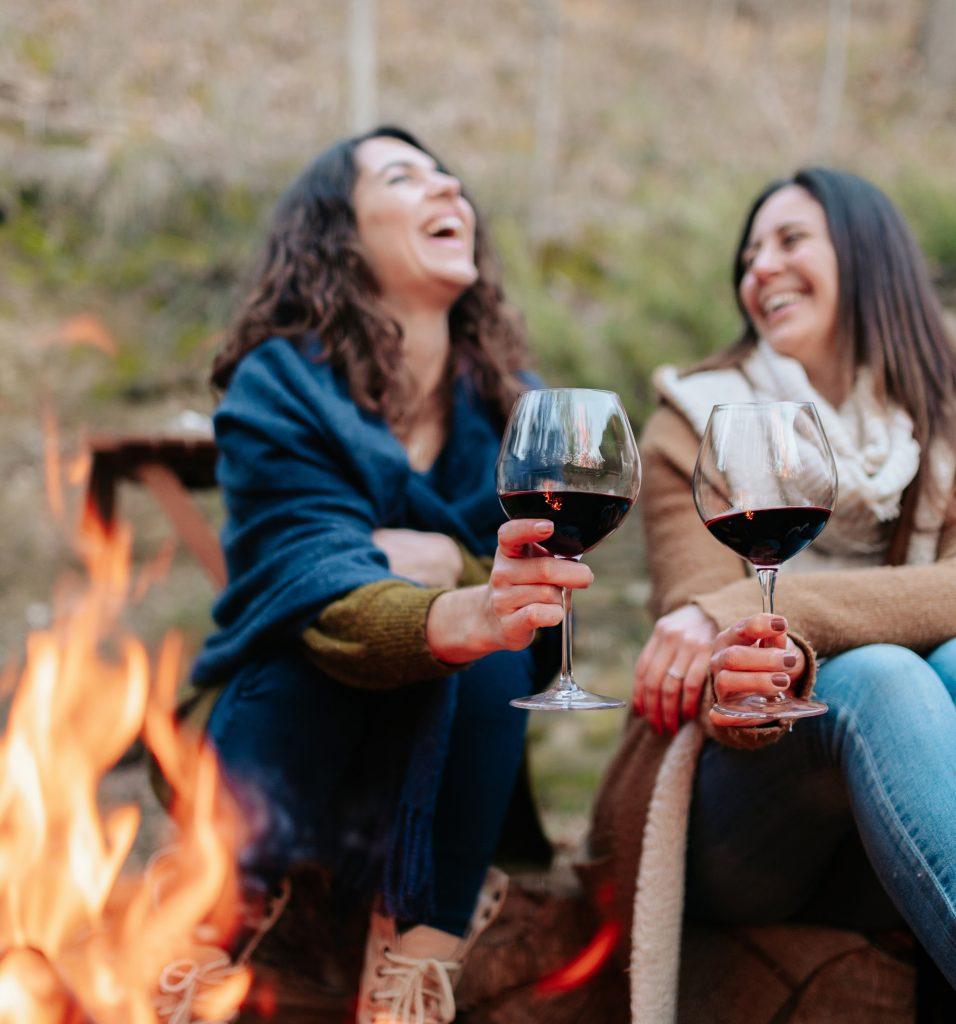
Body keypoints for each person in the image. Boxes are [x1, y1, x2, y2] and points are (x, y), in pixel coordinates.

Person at [183, 126, 589, 1024]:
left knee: (494, 649)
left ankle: (415, 976)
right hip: (291, 742)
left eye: (453, 177)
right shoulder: (278, 388)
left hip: (455, 756)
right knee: (316, 644)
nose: (450, 190)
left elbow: (549, 595)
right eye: (407, 177)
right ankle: (199, 942)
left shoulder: (515, 406)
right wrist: (462, 591)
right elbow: (312, 580)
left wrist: (443, 567)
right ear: (338, 233)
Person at [585, 167, 956, 1021]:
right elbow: (712, 639)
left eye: (790, 241)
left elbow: (729, 609)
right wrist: (748, 641)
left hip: (913, 822)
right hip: (743, 818)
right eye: (750, 256)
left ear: (868, 256)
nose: (761, 270)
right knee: (885, 678)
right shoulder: (697, 421)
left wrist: (792, 614)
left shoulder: (943, 414)